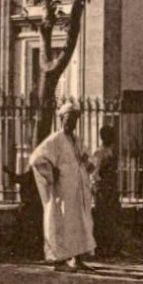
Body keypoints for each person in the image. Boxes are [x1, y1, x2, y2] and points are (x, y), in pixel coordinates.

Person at [29, 99, 95, 272]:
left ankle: (77, 259)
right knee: (61, 223)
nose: (72, 122)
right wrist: (52, 173)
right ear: (61, 119)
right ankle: (59, 261)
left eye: (74, 119)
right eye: (68, 118)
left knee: (79, 224)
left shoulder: (76, 140)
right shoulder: (55, 139)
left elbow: (86, 158)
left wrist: (88, 163)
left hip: (78, 191)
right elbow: (36, 158)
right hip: (63, 191)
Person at [91, 125, 122, 258]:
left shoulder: (110, 151)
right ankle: (101, 247)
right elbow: (94, 173)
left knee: (112, 218)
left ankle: (111, 247)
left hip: (111, 190)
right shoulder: (99, 152)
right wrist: (101, 187)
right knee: (102, 218)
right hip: (103, 190)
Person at [3, 164, 44, 258]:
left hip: (29, 206)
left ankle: (21, 251)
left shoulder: (30, 175)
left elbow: (17, 178)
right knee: (38, 229)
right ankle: (37, 251)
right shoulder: (40, 176)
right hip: (39, 206)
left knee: (23, 229)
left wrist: (8, 171)